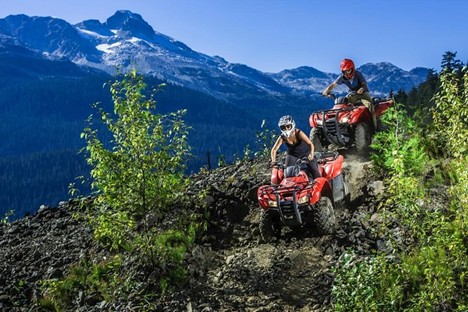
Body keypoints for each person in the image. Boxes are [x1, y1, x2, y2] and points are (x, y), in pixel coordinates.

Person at [322, 58, 377, 129]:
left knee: (370, 106)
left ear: (352, 68)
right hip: (352, 94)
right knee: (344, 106)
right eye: (345, 71)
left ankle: (375, 127)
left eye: (348, 70)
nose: (347, 73)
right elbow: (334, 84)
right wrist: (326, 91)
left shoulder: (358, 74)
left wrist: (362, 89)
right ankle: (345, 126)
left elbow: (364, 85)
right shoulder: (342, 77)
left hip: (363, 94)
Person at [270, 115, 320, 181]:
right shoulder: (282, 137)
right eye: (283, 127)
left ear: (292, 125)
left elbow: (310, 144)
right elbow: (274, 149)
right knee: (288, 172)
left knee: (314, 170)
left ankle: (319, 182)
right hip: (292, 155)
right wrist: (273, 161)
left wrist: (311, 154)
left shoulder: (298, 133)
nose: (286, 129)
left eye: (288, 126)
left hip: (306, 153)